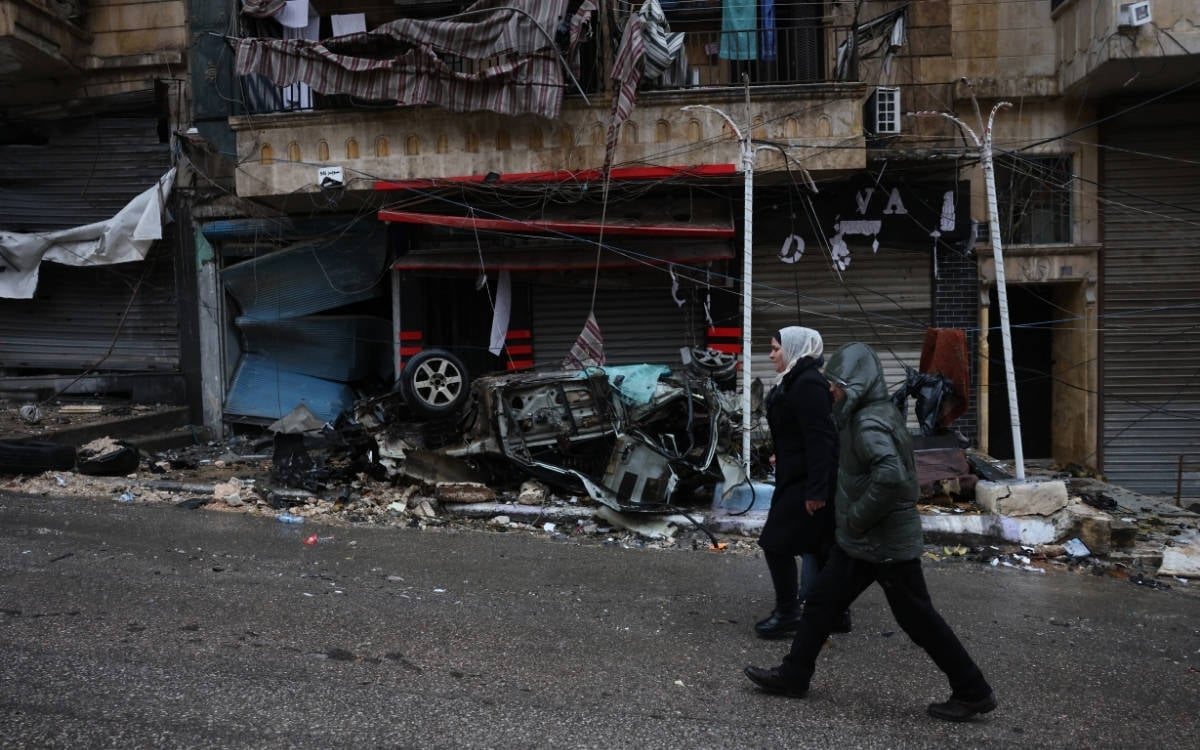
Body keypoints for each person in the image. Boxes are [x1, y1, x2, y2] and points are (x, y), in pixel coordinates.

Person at [743, 342, 997, 722]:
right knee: (821, 603)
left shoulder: (867, 423)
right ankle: (794, 675)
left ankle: (973, 690)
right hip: (862, 542)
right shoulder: (870, 412)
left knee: (919, 620)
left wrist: (858, 517)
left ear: (857, 385)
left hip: (883, 542)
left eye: (838, 384)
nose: (831, 390)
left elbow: (892, 478)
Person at [753, 326, 845, 639]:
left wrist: (817, 490)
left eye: (776, 348)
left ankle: (788, 613)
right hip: (797, 473)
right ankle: (835, 612)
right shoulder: (796, 380)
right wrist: (784, 454)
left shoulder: (807, 384)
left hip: (808, 481)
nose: (771, 354)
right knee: (820, 546)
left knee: (775, 543)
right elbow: (798, 432)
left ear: (793, 349)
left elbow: (822, 439)